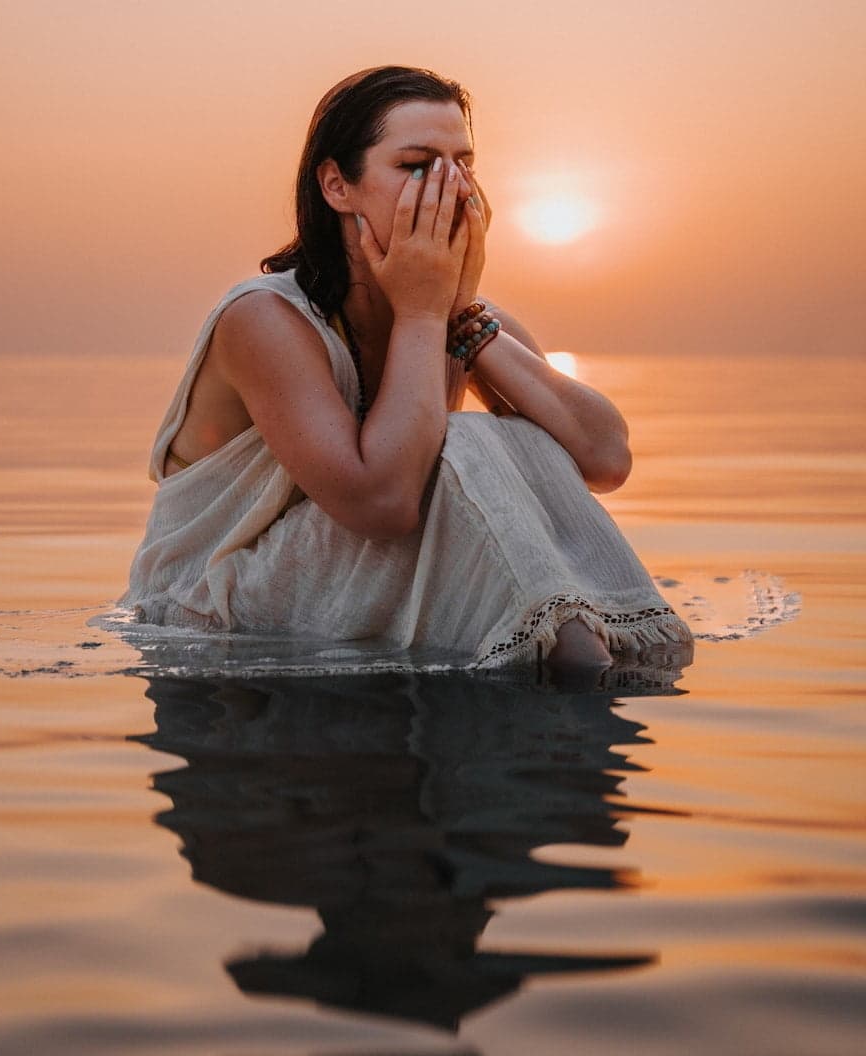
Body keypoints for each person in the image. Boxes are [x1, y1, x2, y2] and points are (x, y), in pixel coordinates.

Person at [122, 65, 693, 671]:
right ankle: (569, 657)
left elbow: (604, 460)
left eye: (463, 164)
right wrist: (424, 313)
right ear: (338, 187)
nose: (452, 187)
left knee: (523, 435)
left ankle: (580, 645)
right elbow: (384, 504)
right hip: (208, 609)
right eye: (417, 165)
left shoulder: (454, 311)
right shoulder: (264, 320)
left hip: (340, 581)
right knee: (468, 438)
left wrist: (459, 311)